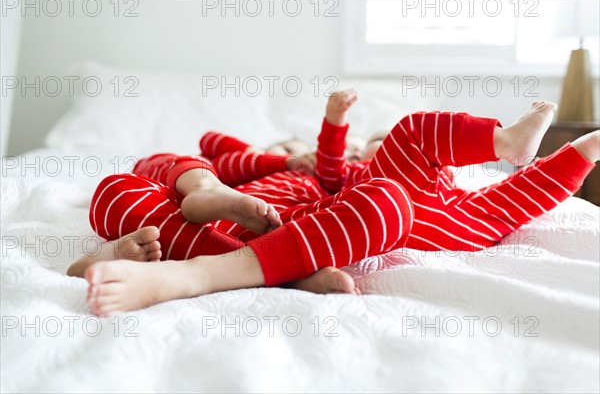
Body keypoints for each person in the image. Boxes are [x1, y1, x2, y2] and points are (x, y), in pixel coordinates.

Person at [68, 91, 599, 317]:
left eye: (376, 144)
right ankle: (260, 248)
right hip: (249, 213)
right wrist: (271, 161)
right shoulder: (301, 170)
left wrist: (581, 153)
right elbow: (214, 147)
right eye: (373, 144)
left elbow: (512, 200)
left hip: (330, 224)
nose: (375, 148)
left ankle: (204, 272)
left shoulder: (371, 183)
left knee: (388, 198)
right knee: (119, 183)